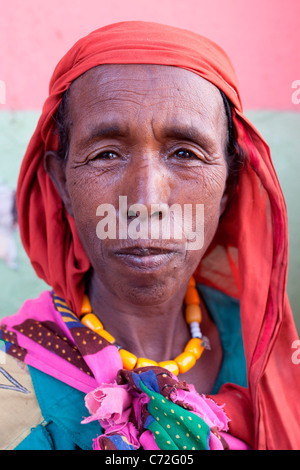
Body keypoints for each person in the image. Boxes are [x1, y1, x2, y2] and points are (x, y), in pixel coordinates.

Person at [0, 21, 299, 451]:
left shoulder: (267, 353)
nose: (144, 200)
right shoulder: (13, 376)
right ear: (62, 183)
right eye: (106, 154)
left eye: (184, 153)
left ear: (229, 186)